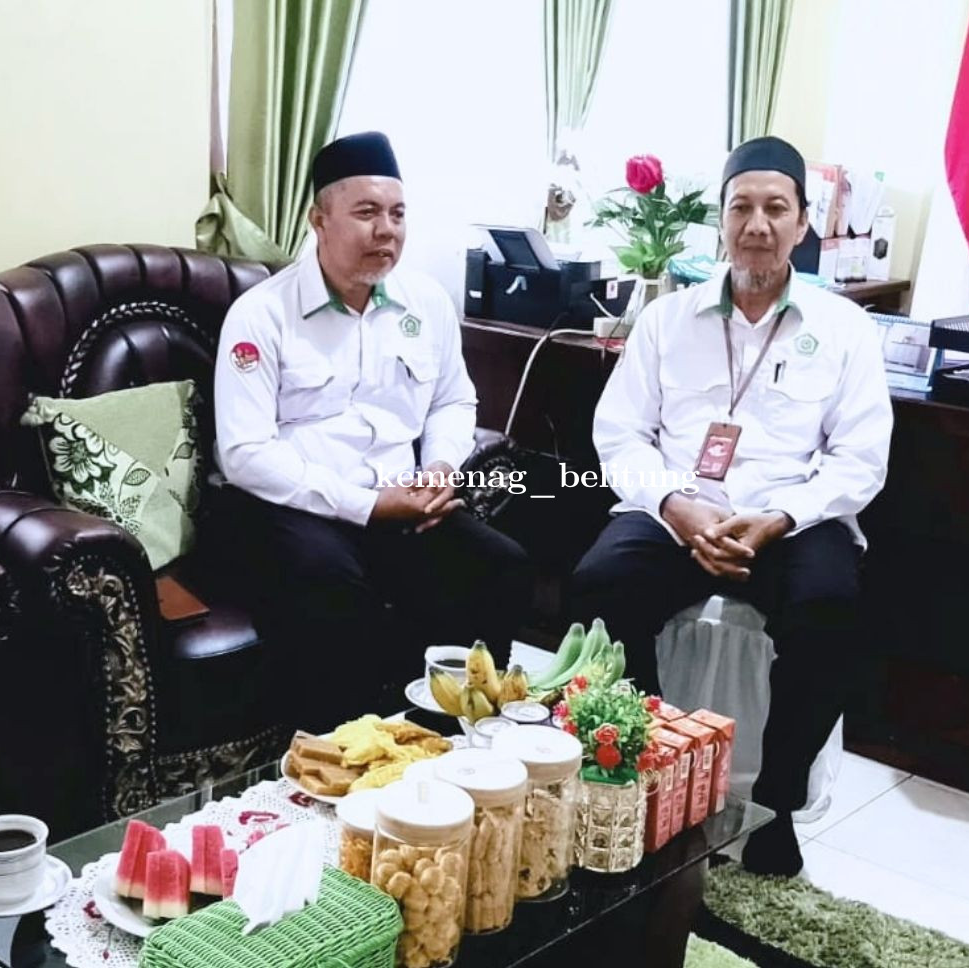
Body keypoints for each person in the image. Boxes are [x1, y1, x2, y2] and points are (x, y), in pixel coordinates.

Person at [565, 136, 893, 877]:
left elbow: (860, 459)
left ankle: (775, 804)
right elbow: (620, 435)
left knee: (831, 608)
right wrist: (675, 503)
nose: (757, 225)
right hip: (679, 513)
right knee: (598, 585)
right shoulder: (667, 319)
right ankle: (648, 778)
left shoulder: (844, 328)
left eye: (776, 208)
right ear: (720, 220)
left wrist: (780, 517)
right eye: (741, 207)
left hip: (791, 520)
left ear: (803, 223)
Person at [214, 132, 532, 726]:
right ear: (319, 220)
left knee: (501, 566)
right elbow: (245, 452)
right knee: (333, 587)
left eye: (397, 214)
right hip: (294, 509)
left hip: (402, 503)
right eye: (366, 213)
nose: (386, 231)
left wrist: (439, 469)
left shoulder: (425, 303)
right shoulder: (261, 314)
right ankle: (355, 755)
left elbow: (454, 399)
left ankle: (455, 741)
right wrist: (368, 506)